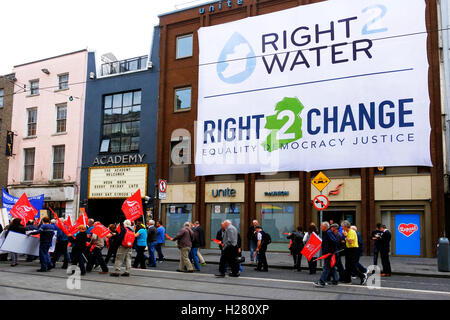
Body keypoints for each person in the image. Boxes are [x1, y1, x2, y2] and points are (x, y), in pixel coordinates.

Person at [341, 220, 367, 285]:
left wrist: (346, 236)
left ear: (345, 226)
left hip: (354, 250)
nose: (342, 228)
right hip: (348, 249)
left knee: (352, 266)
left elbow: (351, 242)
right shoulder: (347, 231)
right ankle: (347, 280)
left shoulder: (351, 232)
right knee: (347, 265)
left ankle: (362, 276)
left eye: (342, 226)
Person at [314, 222, 339, 287]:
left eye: (321, 226)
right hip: (329, 252)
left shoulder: (328, 233)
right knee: (331, 267)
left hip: (329, 253)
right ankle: (335, 280)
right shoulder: (328, 232)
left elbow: (334, 241)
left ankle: (322, 282)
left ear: (325, 227)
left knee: (326, 267)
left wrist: (330, 251)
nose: (320, 227)